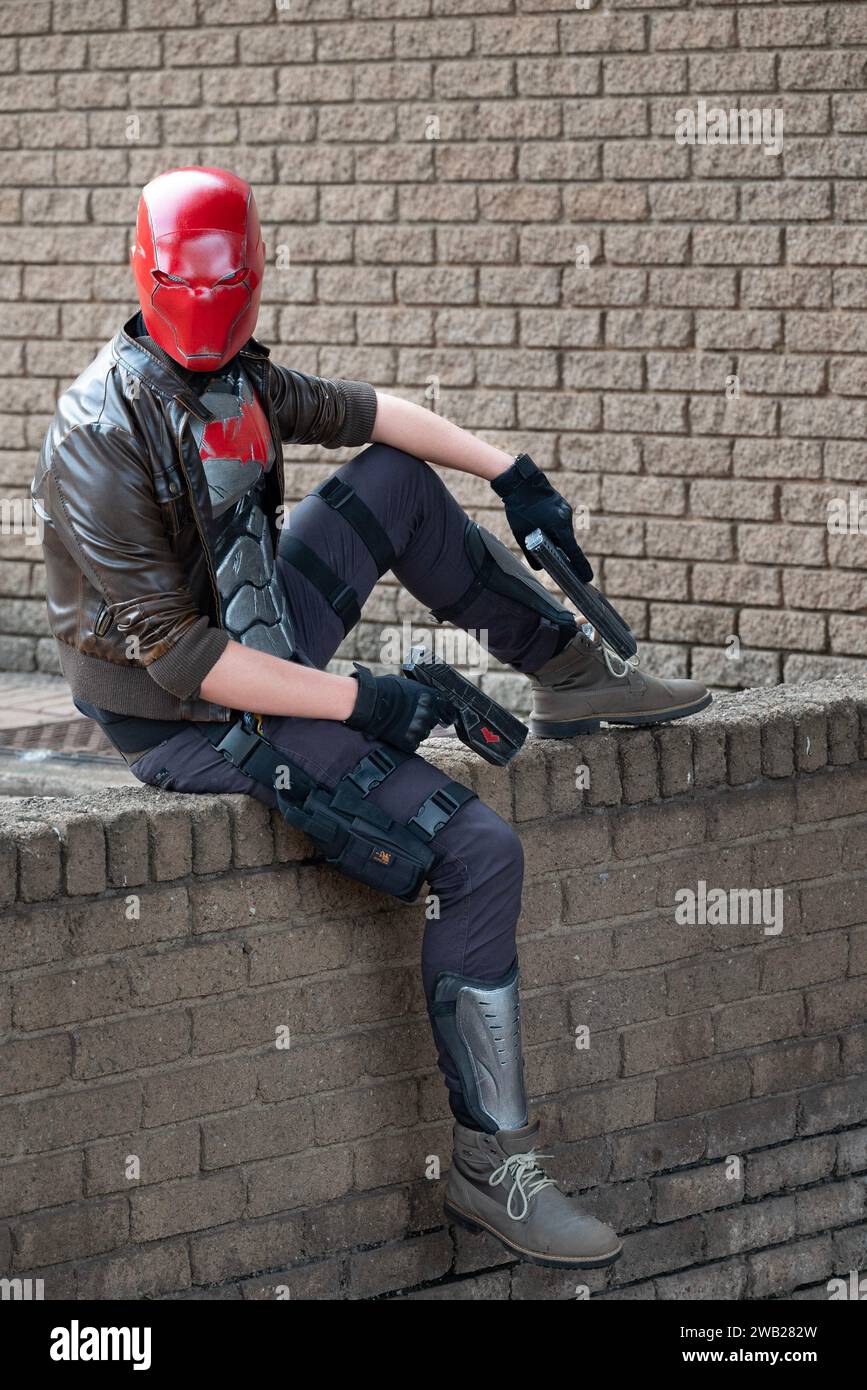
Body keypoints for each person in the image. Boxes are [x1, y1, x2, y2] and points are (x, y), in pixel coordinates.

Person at [32, 166, 711, 1269]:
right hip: (188, 716)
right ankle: (497, 1166)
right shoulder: (97, 434)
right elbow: (189, 660)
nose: (210, 321)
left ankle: (572, 673)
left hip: (258, 644)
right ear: (143, 278)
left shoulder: (236, 380)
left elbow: (371, 413)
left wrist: (514, 474)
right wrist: (369, 701)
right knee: (481, 851)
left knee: (396, 479)